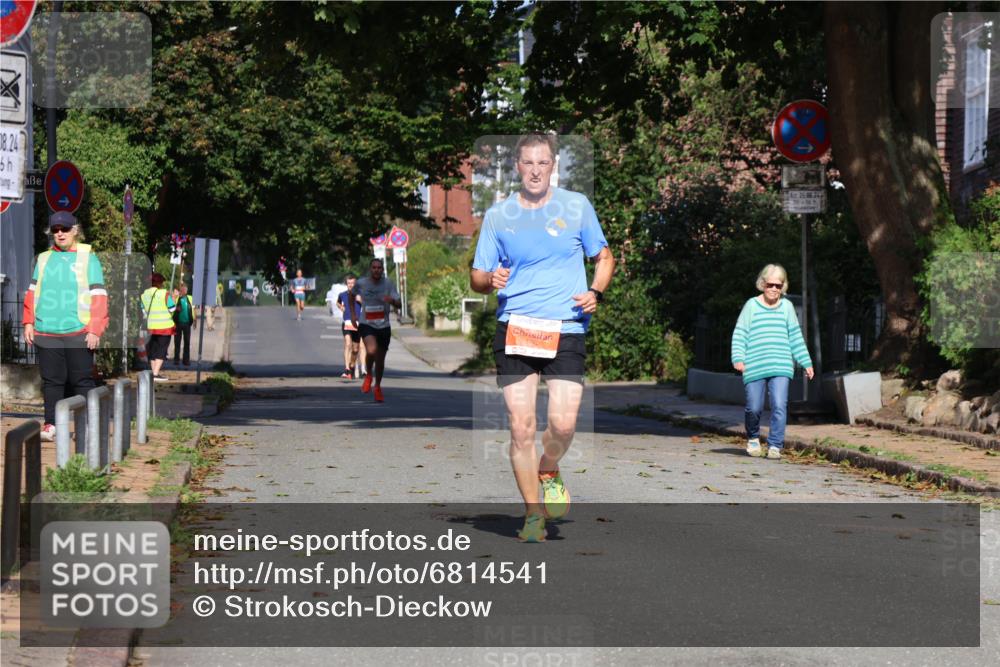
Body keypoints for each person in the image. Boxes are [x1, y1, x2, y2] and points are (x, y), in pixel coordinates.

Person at [470, 133, 614, 542]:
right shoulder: (499, 216)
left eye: (543, 163)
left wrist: (596, 291)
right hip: (515, 327)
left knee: (564, 425)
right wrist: (488, 279)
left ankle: (548, 466)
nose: (535, 171)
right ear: (517, 166)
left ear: (554, 166)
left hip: (565, 327)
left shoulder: (576, 207)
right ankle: (533, 513)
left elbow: (603, 256)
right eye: (528, 163)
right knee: (521, 428)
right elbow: (478, 276)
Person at [22, 212, 109, 442]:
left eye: (65, 229)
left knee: (82, 382)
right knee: (52, 382)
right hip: (46, 329)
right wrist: (28, 321)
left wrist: (94, 328)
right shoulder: (43, 259)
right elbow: (32, 292)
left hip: (79, 330)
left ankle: (89, 426)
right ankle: (51, 424)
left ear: (75, 230)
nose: (60, 233)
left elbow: (99, 295)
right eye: (56, 229)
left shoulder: (88, 258)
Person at [731, 264, 815, 460]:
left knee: (779, 404)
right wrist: (738, 358)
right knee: (754, 407)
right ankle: (753, 438)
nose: (774, 289)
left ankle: (775, 444)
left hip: (781, 364)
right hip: (754, 364)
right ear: (762, 284)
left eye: (779, 285)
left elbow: (795, 336)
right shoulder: (751, 305)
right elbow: (740, 333)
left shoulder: (786, 307)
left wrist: (806, 362)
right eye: (770, 285)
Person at [350, 259, 400, 402]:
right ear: (370, 269)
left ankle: (377, 386)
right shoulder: (362, 283)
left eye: (379, 268)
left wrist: (391, 301)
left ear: (382, 269)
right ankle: (368, 376)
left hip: (383, 326)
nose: (376, 270)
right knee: (371, 350)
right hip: (367, 323)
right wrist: (353, 314)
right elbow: (351, 294)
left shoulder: (388, 284)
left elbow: (399, 304)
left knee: (380, 360)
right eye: (374, 267)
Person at [141, 273, 176, 382]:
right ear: (159, 283)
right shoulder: (164, 293)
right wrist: (174, 298)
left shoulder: (144, 295)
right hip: (164, 327)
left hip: (151, 327)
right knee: (162, 349)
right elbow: (172, 308)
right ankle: (155, 374)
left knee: (152, 350)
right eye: (161, 282)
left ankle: (153, 373)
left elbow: (143, 311)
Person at [337, 274, 366, 379]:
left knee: (355, 349)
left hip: (358, 324)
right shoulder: (342, 295)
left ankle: (352, 365)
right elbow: (338, 302)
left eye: (353, 283)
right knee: (348, 344)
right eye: (349, 283)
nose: (351, 285)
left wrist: (360, 300)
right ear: (346, 284)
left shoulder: (360, 294)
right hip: (347, 323)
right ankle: (346, 369)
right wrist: (341, 307)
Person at [172, 283, 194, 366]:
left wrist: (194, 320)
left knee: (187, 343)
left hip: (187, 324)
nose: (183, 291)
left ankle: (186, 360)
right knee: (177, 342)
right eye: (182, 290)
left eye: (185, 290)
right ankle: (176, 359)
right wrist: (176, 306)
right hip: (178, 323)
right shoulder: (177, 298)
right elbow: (171, 306)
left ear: (187, 291)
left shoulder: (190, 299)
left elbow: (193, 309)